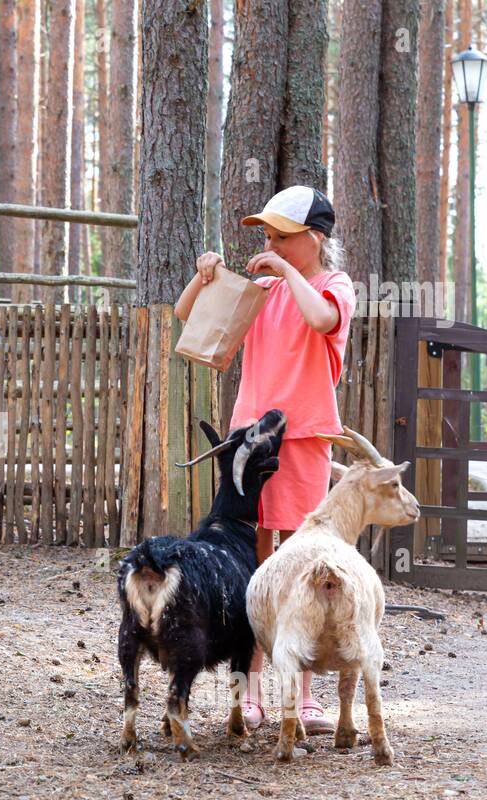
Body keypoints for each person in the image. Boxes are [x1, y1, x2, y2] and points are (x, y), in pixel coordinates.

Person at [173, 185, 356, 733]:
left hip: (302, 438)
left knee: (302, 567)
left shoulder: (331, 285)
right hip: (249, 439)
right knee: (252, 567)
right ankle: (247, 690)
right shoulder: (263, 287)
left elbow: (322, 320)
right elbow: (188, 315)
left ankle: (301, 698)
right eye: (267, 235)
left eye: (281, 235)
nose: (269, 243)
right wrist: (203, 275)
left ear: (314, 238)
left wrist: (283, 270)